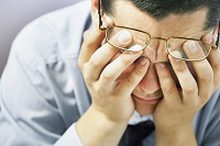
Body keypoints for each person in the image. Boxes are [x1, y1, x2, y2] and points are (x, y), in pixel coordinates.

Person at [0, 0, 220, 145]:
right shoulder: (41, 56)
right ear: (98, 9)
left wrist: (176, 129)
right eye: (130, 52)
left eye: (179, 59)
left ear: (216, 30)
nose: (149, 86)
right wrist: (105, 118)